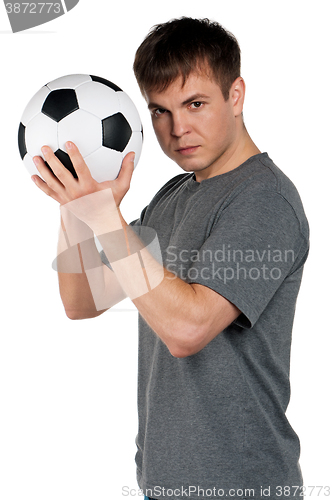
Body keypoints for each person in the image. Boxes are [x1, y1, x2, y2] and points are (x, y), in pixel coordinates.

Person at [31, 17, 309, 500]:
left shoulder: (265, 200)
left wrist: (106, 219)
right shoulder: (172, 197)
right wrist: (76, 210)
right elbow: (83, 300)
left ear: (236, 95)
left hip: (243, 487)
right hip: (161, 483)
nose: (178, 129)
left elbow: (188, 330)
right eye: (160, 111)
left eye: (195, 104)